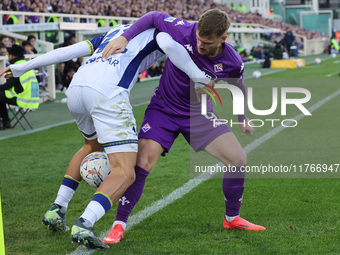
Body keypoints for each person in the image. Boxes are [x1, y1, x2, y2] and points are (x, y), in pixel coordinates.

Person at [0, 24, 210, 249]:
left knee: (90, 146)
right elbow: (168, 44)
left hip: (77, 90)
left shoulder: (115, 30)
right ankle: (85, 223)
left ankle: (57, 209)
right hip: (107, 93)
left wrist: (24, 66)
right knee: (125, 172)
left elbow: (68, 51)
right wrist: (199, 76)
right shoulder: (162, 30)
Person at [102, 10, 266, 244]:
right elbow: (153, 16)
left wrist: (243, 117)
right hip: (163, 110)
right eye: (198, 38)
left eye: (206, 43)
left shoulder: (232, 60)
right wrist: (125, 37)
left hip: (199, 116)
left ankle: (232, 217)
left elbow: (238, 85)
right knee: (142, 163)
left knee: (238, 159)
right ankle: (118, 225)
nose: (199, 45)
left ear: (223, 39)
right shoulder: (183, 29)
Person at [0, 45, 39, 130]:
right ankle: (6, 121)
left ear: (13, 56)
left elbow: (7, 86)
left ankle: (4, 121)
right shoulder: (24, 64)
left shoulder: (18, 67)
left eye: (9, 54)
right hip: (31, 99)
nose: (8, 56)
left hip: (22, 99)